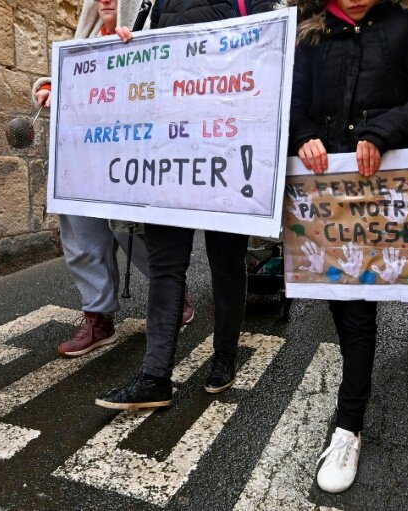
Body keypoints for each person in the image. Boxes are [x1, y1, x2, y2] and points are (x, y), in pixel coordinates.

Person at [288, 0, 408, 493]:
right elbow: (291, 102)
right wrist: (305, 136)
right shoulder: (309, 35)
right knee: (345, 310)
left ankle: (347, 426)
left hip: (380, 195)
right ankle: (350, 410)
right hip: (325, 193)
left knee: (358, 312)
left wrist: (381, 132)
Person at [94, 0, 277, 410]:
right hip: (171, 154)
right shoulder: (159, 2)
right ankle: (154, 376)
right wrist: (128, 48)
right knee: (165, 268)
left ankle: (224, 355)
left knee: (226, 264)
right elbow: (148, 72)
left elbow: (272, 56)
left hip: (226, 152)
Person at [32, 0, 195, 359]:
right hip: (80, 159)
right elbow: (59, 80)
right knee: (81, 235)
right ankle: (98, 316)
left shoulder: (141, 36)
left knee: (131, 232)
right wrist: (47, 90)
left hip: (128, 158)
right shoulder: (83, 44)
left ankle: (171, 290)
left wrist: (136, 54)